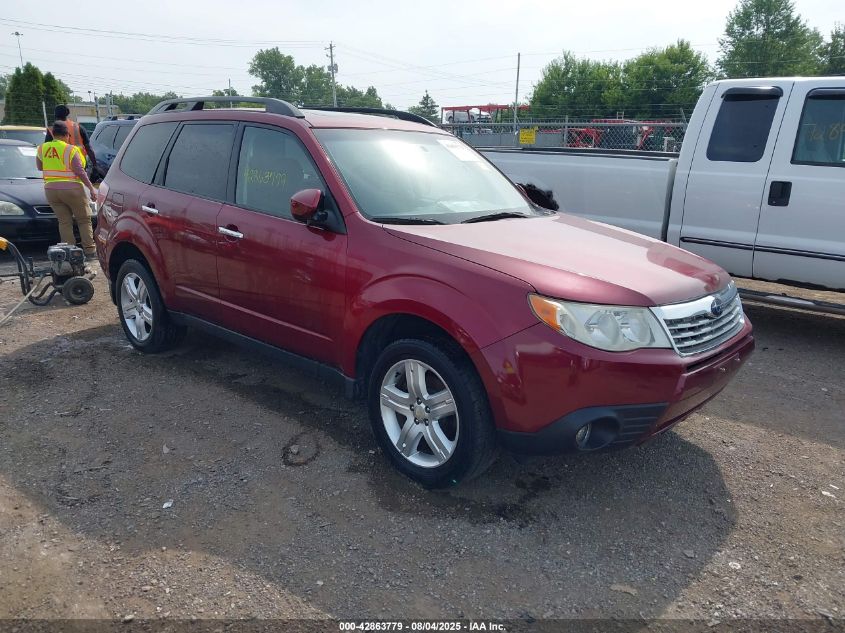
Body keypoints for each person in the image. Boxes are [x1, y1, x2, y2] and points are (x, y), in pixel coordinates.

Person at [36, 120, 98, 258]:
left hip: (51, 190)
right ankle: (89, 251)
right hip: (72, 189)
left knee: (64, 222)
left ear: (53, 134)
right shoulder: (70, 149)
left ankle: (70, 252)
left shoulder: (42, 148)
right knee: (83, 220)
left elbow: (40, 167)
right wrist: (91, 188)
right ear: (66, 135)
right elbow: (80, 171)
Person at [45, 105, 96, 175]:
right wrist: (95, 165)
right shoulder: (78, 127)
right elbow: (89, 148)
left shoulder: (51, 129)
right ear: (67, 114)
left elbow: (47, 150)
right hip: (78, 165)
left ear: (55, 115)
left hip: (60, 167)